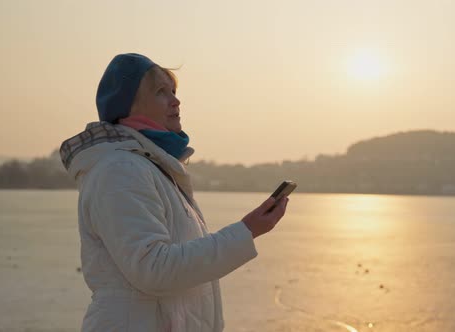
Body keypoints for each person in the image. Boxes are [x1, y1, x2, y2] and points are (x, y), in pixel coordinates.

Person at [59, 53, 289, 332]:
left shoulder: (152, 167)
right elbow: (153, 269)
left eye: (173, 91)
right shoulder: (120, 169)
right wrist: (246, 231)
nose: (175, 101)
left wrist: (246, 231)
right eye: (160, 92)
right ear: (127, 106)